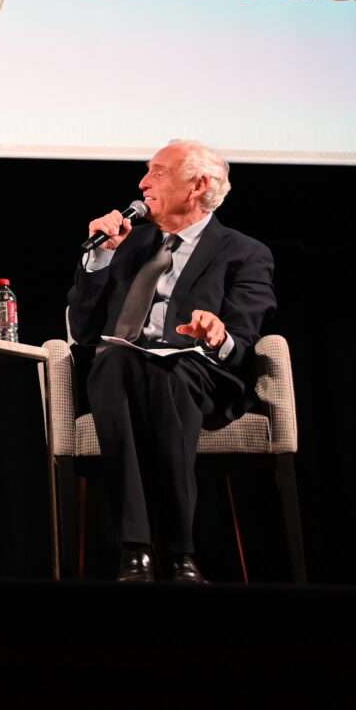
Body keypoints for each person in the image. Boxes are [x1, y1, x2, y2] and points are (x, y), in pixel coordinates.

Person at [66, 139, 275, 584]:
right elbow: (83, 331)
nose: (143, 183)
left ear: (198, 185)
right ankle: (167, 553)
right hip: (120, 371)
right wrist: (100, 256)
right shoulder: (127, 244)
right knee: (117, 363)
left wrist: (217, 334)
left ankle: (150, 549)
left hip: (198, 373)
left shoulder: (243, 252)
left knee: (166, 371)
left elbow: (241, 342)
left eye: (157, 172)